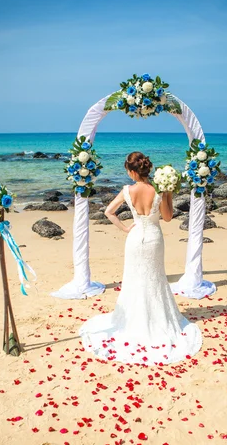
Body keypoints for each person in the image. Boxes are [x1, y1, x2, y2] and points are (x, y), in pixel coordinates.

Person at [79, 151, 202, 365]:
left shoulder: (127, 190)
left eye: (128, 170)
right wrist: (168, 194)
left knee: (134, 279)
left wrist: (126, 229)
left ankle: (132, 321)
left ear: (132, 172)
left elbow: (109, 211)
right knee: (155, 279)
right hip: (154, 238)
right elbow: (167, 217)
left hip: (135, 239)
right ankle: (156, 319)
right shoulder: (158, 190)